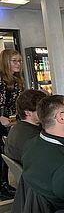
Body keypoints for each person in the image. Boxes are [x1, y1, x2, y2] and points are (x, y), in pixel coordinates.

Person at [0, 49, 25, 200]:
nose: (18, 64)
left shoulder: (17, 80)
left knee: (5, 152)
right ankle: (2, 187)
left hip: (9, 121)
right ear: (5, 62)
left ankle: (4, 185)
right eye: (14, 61)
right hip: (1, 122)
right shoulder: (1, 80)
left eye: (19, 61)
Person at [5, 89, 47, 163]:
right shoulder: (33, 138)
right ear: (28, 113)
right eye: (41, 110)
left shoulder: (16, 129)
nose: (46, 112)